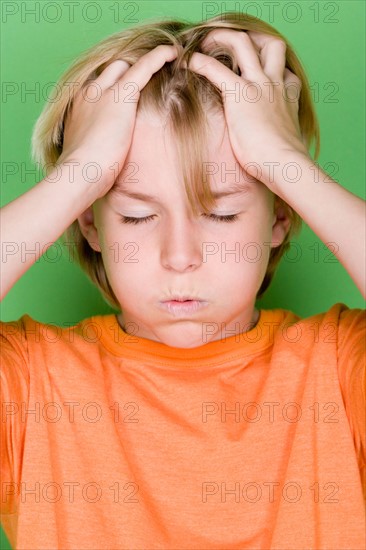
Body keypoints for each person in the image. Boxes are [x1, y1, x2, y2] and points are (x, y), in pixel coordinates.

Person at [1, 11, 365, 550]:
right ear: (86, 219)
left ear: (282, 216)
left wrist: (285, 162)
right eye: (136, 215)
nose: (179, 256)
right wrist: (80, 172)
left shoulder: (338, 372)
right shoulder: (31, 386)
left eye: (221, 215)